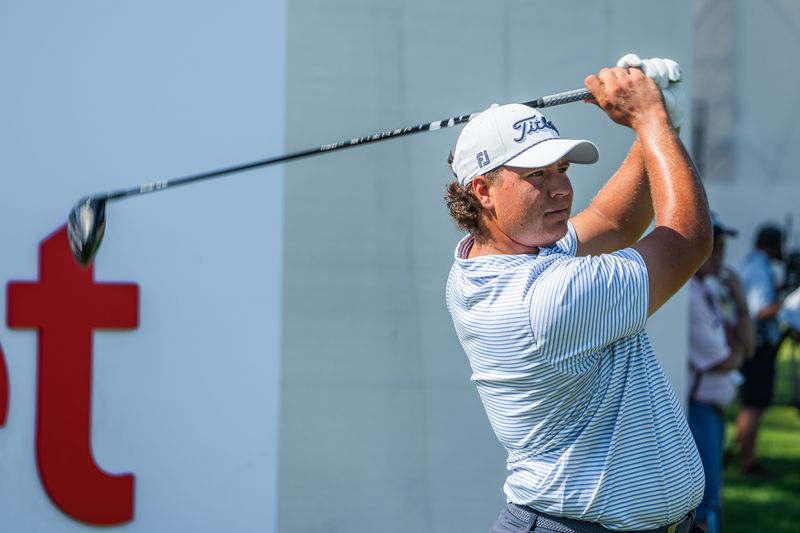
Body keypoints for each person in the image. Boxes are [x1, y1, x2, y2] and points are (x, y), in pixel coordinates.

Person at [444, 53, 710, 533]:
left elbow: (613, 221)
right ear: (483, 190)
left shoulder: (499, 257)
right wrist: (650, 120)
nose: (561, 188)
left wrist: (658, 125)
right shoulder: (546, 299)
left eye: (562, 168)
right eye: (536, 175)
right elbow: (687, 241)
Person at [687, 214, 752, 533]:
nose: (720, 254)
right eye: (714, 244)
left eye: (723, 245)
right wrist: (737, 354)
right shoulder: (690, 295)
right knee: (704, 504)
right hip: (699, 410)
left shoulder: (708, 292)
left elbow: (746, 346)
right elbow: (721, 360)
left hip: (712, 411)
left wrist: (740, 301)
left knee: (712, 499)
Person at [735, 224, 784, 477]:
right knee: (754, 404)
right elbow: (761, 310)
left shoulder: (748, 264)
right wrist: (788, 304)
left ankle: (743, 454)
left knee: (750, 402)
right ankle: (748, 460)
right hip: (759, 344)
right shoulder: (759, 269)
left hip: (750, 343)